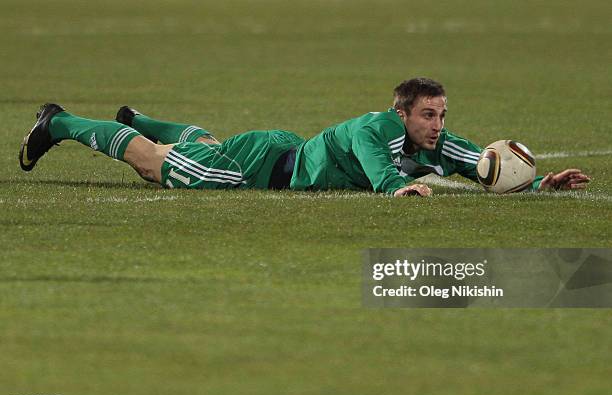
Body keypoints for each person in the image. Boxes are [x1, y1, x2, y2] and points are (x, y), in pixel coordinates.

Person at [19, 78, 589, 196]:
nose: (437, 125)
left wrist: (540, 184)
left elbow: (477, 161)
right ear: (403, 112)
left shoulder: (434, 140)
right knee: (156, 165)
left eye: (441, 115)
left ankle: (140, 117)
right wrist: (396, 189)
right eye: (428, 115)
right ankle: (60, 122)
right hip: (263, 169)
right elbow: (377, 165)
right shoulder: (378, 129)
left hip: (279, 151)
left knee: (204, 147)